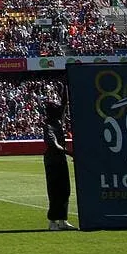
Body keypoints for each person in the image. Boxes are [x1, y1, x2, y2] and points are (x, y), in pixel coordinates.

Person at [42, 89, 77, 231]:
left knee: (65, 190)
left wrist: (65, 85)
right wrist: (69, 153)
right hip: (52, 161)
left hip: (60, 159)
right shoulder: (48, 126)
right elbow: (54, 144)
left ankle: (62, 220)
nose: (60, 110)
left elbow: (64, 103)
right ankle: (52, 221)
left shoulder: (57, 121)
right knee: (54, 190)